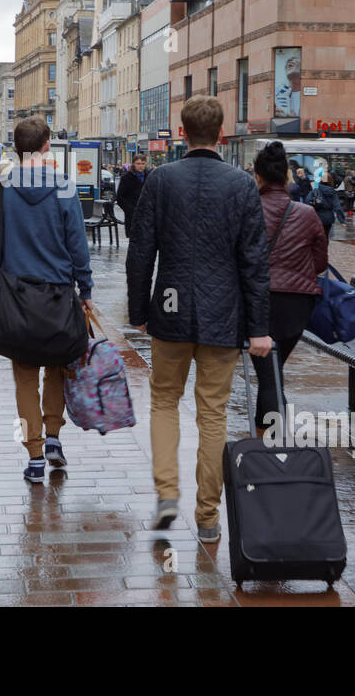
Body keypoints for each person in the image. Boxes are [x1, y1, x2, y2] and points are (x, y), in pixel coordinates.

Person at [125, 96, 272, 542]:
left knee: (165, 401)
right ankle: (208, 515)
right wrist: (259, 327)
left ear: (183, 133)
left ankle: (167, 495)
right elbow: (254, 262)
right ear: (222, 134)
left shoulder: (161, 180)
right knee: (214, 413)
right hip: (223, 313)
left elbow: (140, 251)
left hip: (169, 305)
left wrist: (138, 311)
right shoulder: (242, 185)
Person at [0, 116, 92, 486]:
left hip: (17, 294)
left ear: (17, 148)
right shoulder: (63, 187)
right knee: (58, 367)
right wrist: (86, 290)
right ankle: (53, 437)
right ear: (47, 145)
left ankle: (33, 456)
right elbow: (78, 246)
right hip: (59, 293)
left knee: (24, 375)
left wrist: (1, 274)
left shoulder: (0, 189)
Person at [248, 142, 327, 428]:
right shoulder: (306, 214)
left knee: (269, 373)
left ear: (257, 176)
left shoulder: (248, 209)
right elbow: (319, 263)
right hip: (298, 303)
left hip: (258, 301)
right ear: (287, 177)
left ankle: (270, 439)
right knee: (273, 370)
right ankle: (272, 432)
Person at [115, 153, 150, 240]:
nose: (141, 166)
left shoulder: (150, 176)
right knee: (134, 239)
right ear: (133, 164)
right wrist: (130, 210)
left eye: (143, 163)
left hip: (148, 212)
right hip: (133, 214)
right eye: (138, 163)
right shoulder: (126, 178)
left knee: (148, 238)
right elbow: (120, 197)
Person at [309, 170, 338, 240]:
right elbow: (337, 206)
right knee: (326, 236)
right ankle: (324, 248)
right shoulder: (333, 192)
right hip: (328, 218)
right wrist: (342, 220)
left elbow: (307, 201)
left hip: (317, 216)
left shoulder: (315, 190)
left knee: (317, 237)